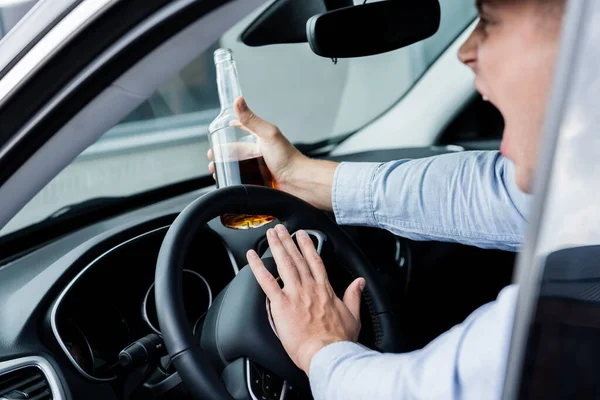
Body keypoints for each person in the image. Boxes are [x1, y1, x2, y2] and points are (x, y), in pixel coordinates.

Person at [207, 0, 566, 398]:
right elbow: (497, 192)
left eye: (489, 20)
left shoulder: (563, 321)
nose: (465, 51)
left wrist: (319, 347)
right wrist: (297, 176)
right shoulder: (582, 199)